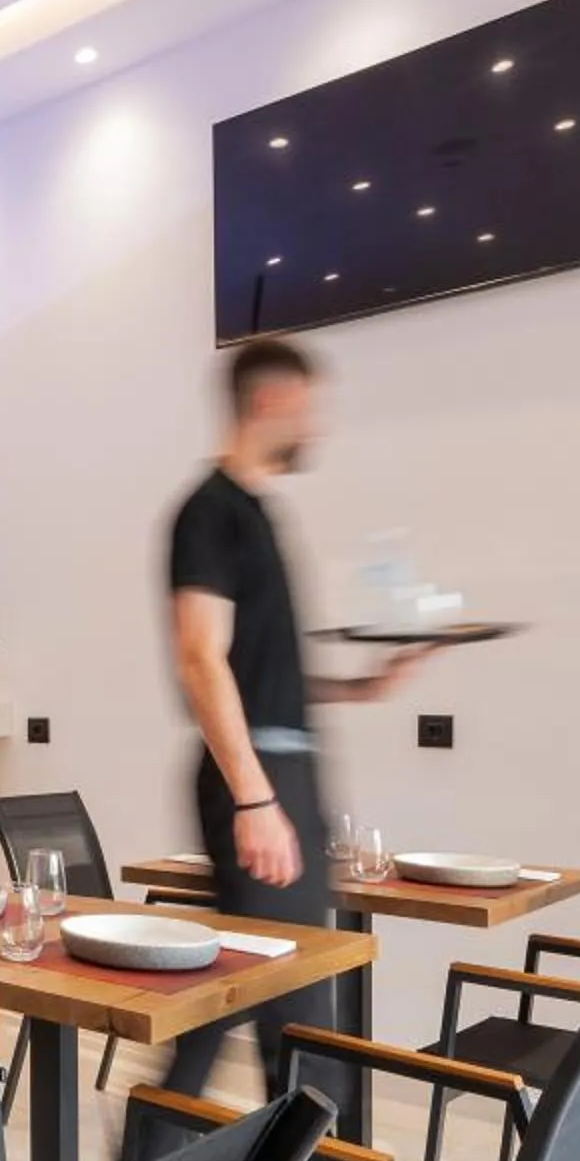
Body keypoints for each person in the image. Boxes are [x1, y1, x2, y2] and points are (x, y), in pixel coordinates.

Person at [164, 334, 432, 1105]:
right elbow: (200, 660)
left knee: (244, 988)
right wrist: (254, 799)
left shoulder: (256, 514)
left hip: (285, 770)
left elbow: (258, 671)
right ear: (271, 402)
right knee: (294, 1003)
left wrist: (357, 688)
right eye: (310, 410)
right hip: (260, 776)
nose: (318, 428)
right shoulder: (210, 514)